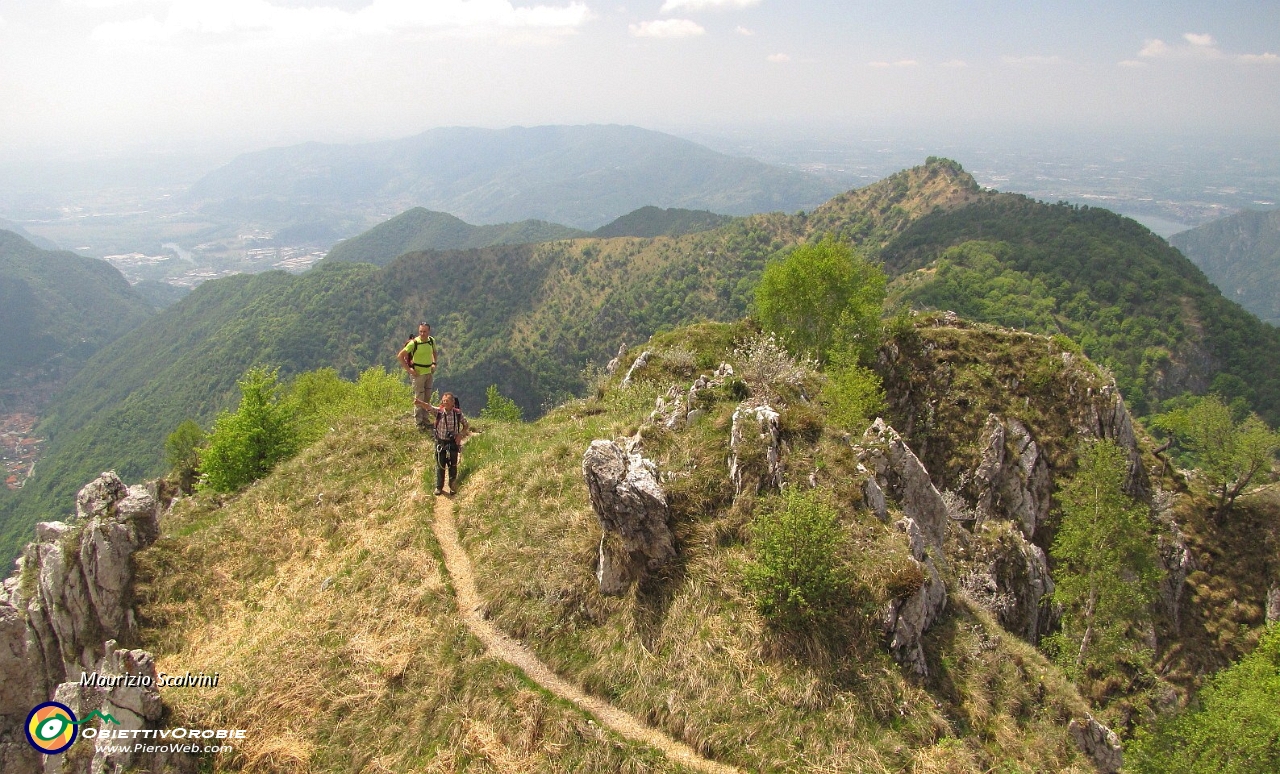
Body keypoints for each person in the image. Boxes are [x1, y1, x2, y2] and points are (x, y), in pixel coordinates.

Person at [415, 392, 469, 496]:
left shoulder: (458, 414)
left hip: (452, 443)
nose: (445, 403)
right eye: (443, 401)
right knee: (440, 465)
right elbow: (429, 407)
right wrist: (420, 403)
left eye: (447, 401)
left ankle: (452, 487)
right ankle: (439, 487)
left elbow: (466, 425)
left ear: (453, 402)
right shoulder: (439, 412)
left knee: (453, 466)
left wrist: (460, 435)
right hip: (441, 442)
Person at [399, 323, 438, 431]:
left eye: (424, 331)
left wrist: (434, 363)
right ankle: (419, 423)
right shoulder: (414, 343)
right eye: (420, 331)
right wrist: (410, 370)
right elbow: (400, 356)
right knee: (419, 398)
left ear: (429, 331)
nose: (422, 333)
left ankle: (425, 420)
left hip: (428, 373)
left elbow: (434, 352)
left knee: (427, 397)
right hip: (418, 375)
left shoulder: (431, 341)